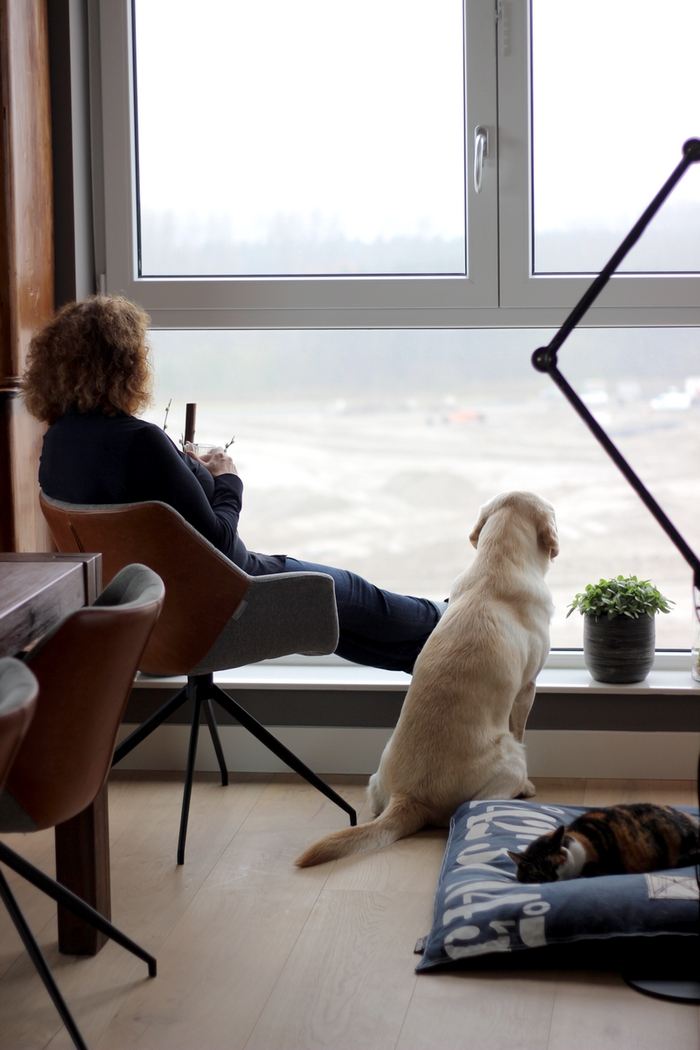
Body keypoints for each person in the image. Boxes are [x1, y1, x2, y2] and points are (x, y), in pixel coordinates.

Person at [22, 295, 445, 672]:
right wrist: (227, 478)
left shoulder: (58, 442)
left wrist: (186, 469)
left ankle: (445, 661)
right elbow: (222, 544)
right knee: (344, 591)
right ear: (125, 365)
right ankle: (452, 620)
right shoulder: (140, 442)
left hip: (150, 623)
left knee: (349, 622)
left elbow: (143, 503)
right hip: (225, 603)